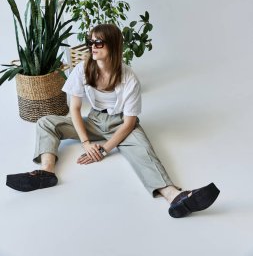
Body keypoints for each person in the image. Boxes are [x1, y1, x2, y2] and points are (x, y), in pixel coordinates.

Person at [6, 24, 220, 218]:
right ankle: (46, 172)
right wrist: (86, 143)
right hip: (94, 120)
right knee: (46, 121)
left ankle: (175, 196)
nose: (92, 46)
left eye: (98, 42)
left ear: (114, 45)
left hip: (121, 125)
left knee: (143, 151)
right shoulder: (82, 69)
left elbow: (128, 123)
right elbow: (75, 108)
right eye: (90, 42)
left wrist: (104, 150)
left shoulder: (129, 78)